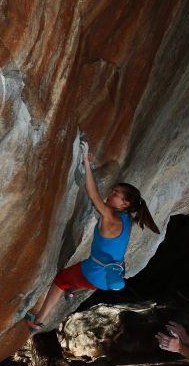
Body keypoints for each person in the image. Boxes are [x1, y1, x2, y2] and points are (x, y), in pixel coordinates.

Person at [25, 140, 160, 332]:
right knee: (86, 279)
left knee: (60, 281)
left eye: (116, 194)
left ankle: (36, 322)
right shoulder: (127, 218)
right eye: (113, 191)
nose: (111, 194)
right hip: (112, 276)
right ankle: (73, 291)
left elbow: (93, 195)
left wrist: (86, 163)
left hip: (96, 274)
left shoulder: (111, 216)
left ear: (125, 204)